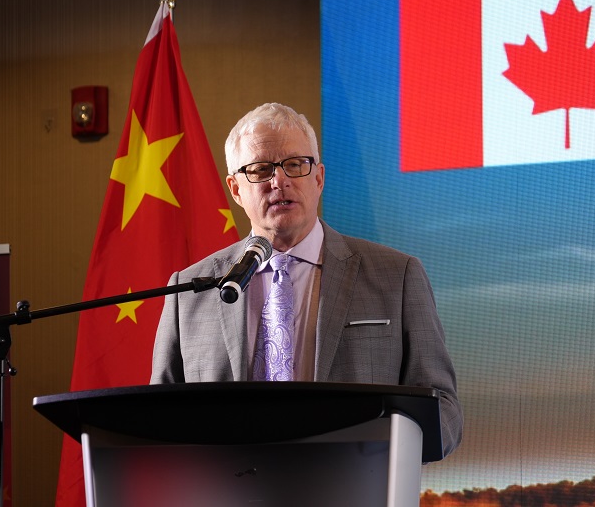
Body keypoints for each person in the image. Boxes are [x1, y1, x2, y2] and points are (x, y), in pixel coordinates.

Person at [150, 102, 462, 457]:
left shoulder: (397, 275)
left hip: (353, 478)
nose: (279, 181)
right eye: (260, 169)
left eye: (295, 164)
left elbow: (445, 411)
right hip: (225, 482)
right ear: (236, 189)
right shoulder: (191, 289)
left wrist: (380, 451)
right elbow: (157, 418)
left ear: (318, 178)